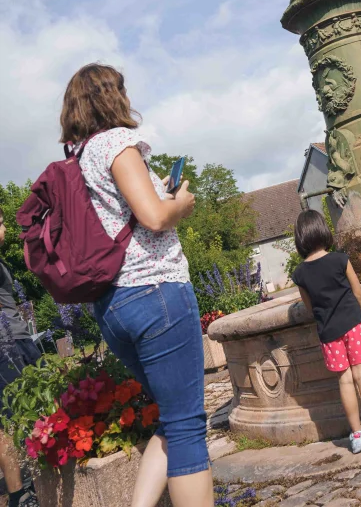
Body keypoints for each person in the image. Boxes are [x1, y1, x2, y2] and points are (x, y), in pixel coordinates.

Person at [59, 64, 209, 507]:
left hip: (112, 305)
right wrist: (180, 203)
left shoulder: (78, 157)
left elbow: (118, 214)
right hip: (156, 292)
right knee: (187, 426)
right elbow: (154, 217)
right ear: (111, 96)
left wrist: (153, 189)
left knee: (172, 417)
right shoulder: (116, 143)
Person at [291, 210, 361, 453]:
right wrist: (357, 314)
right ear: (323, 230)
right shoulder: (340, 259)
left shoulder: (300, 274)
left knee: (345, 381)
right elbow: (358, 292)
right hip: (354, 324)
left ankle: (357, 436)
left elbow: (310, 307)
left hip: (329, 332)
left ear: (301, 238)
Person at [0, 209, 40, 507]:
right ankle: (36, 484)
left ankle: (19, 495)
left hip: (8, 343)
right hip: (11, 345)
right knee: (30, 413)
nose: (4, 229)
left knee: (4, 423)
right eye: (0, 223)